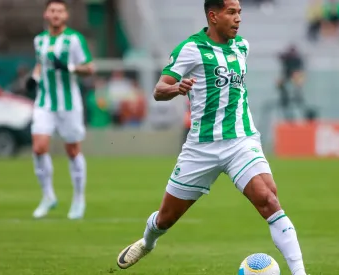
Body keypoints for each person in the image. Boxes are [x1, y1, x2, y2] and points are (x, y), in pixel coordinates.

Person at [116, 1, 308, 275]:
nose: (238, 18)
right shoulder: (191, 49)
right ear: (213, 16)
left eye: (240, 12)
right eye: (232, 12)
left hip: (241, 140)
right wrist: (177, 89)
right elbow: (159, 89)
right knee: (166, 218)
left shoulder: (242, 47)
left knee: (268, 199)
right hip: (201, 148)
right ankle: (148, 242)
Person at [25, 0, 95, 220]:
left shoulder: (74, 39)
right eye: (52, 10)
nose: (56, 14)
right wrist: (34, 78)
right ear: (46, 14)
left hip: (69, 104)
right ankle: (48, 196)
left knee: (73, 150)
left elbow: (90, 68)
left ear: (66, 15)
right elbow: (40, 63)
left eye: (60, 11)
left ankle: (78, 198)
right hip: (44, 102)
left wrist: (69, 67)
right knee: (39, 147)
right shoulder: (40, 40)